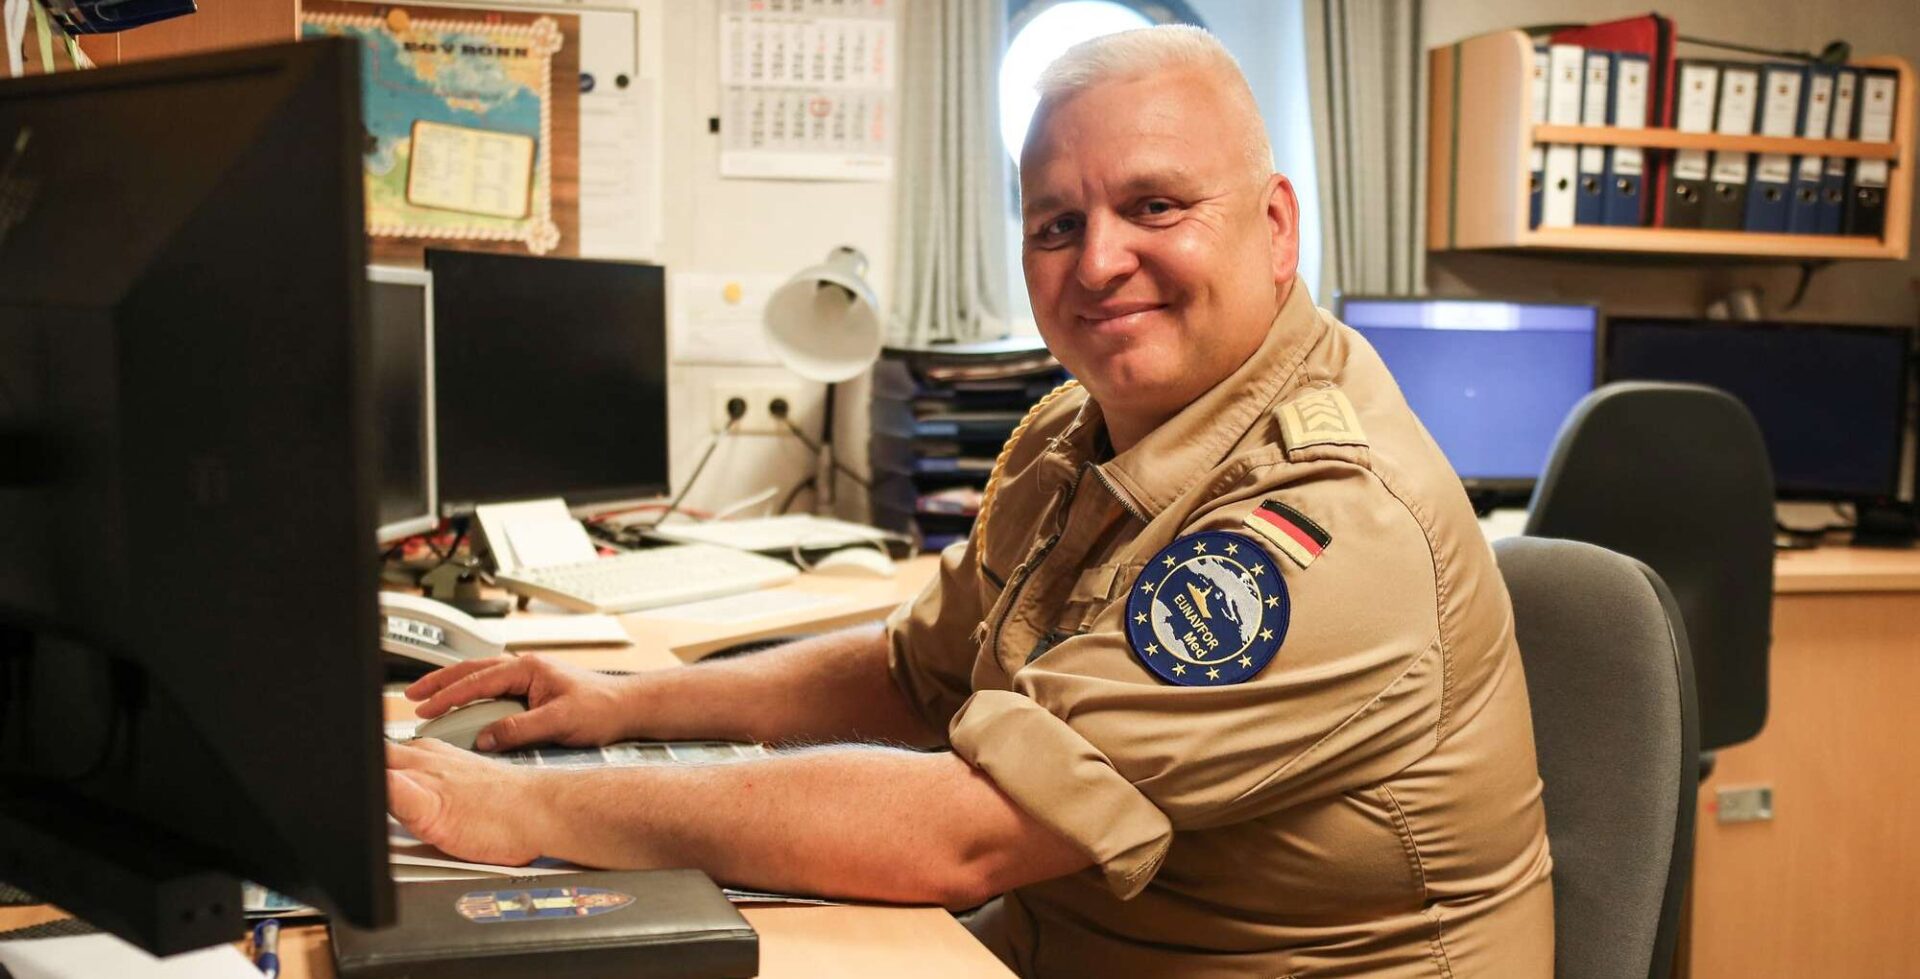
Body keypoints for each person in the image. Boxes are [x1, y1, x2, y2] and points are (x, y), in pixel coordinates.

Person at [386, 25, 1553, 977]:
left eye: (1156, 206)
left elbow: (964, 828)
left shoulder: (1327, 521)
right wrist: (627, 704)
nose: (1096, 262)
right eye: (1058, 223)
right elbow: (912, 674)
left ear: (1277, 225)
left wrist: (533, 819)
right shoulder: (1070, 431)